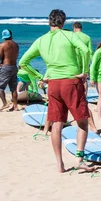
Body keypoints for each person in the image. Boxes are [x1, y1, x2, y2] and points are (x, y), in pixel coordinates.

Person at [19, 9, 91, 173]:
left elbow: (23, 62)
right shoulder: (69, 35)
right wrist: (85, 71)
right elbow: (86, 50)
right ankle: (79, 159)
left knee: (57, 124)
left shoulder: (41, 40)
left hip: (53, 85)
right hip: (71, 82)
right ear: (63, 22)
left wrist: (40, 77)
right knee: (82, 122)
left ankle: (60, 164)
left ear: (49, 22)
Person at [72, 21, 98, 133]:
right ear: (81, 28)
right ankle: (93, 126)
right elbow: (90, 53)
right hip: (84, 69)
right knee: (83, 98)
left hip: (73, 68)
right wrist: (91, 68)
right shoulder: (87, 37)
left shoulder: (72, 36)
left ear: (74, 28)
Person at [0, 29, 20, 112]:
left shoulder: (2, 45)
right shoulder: (16, 45)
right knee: (13, 88)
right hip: (14, 67)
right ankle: (15, 106)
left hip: (6, 67)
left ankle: (5, 103)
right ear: (11, 35)